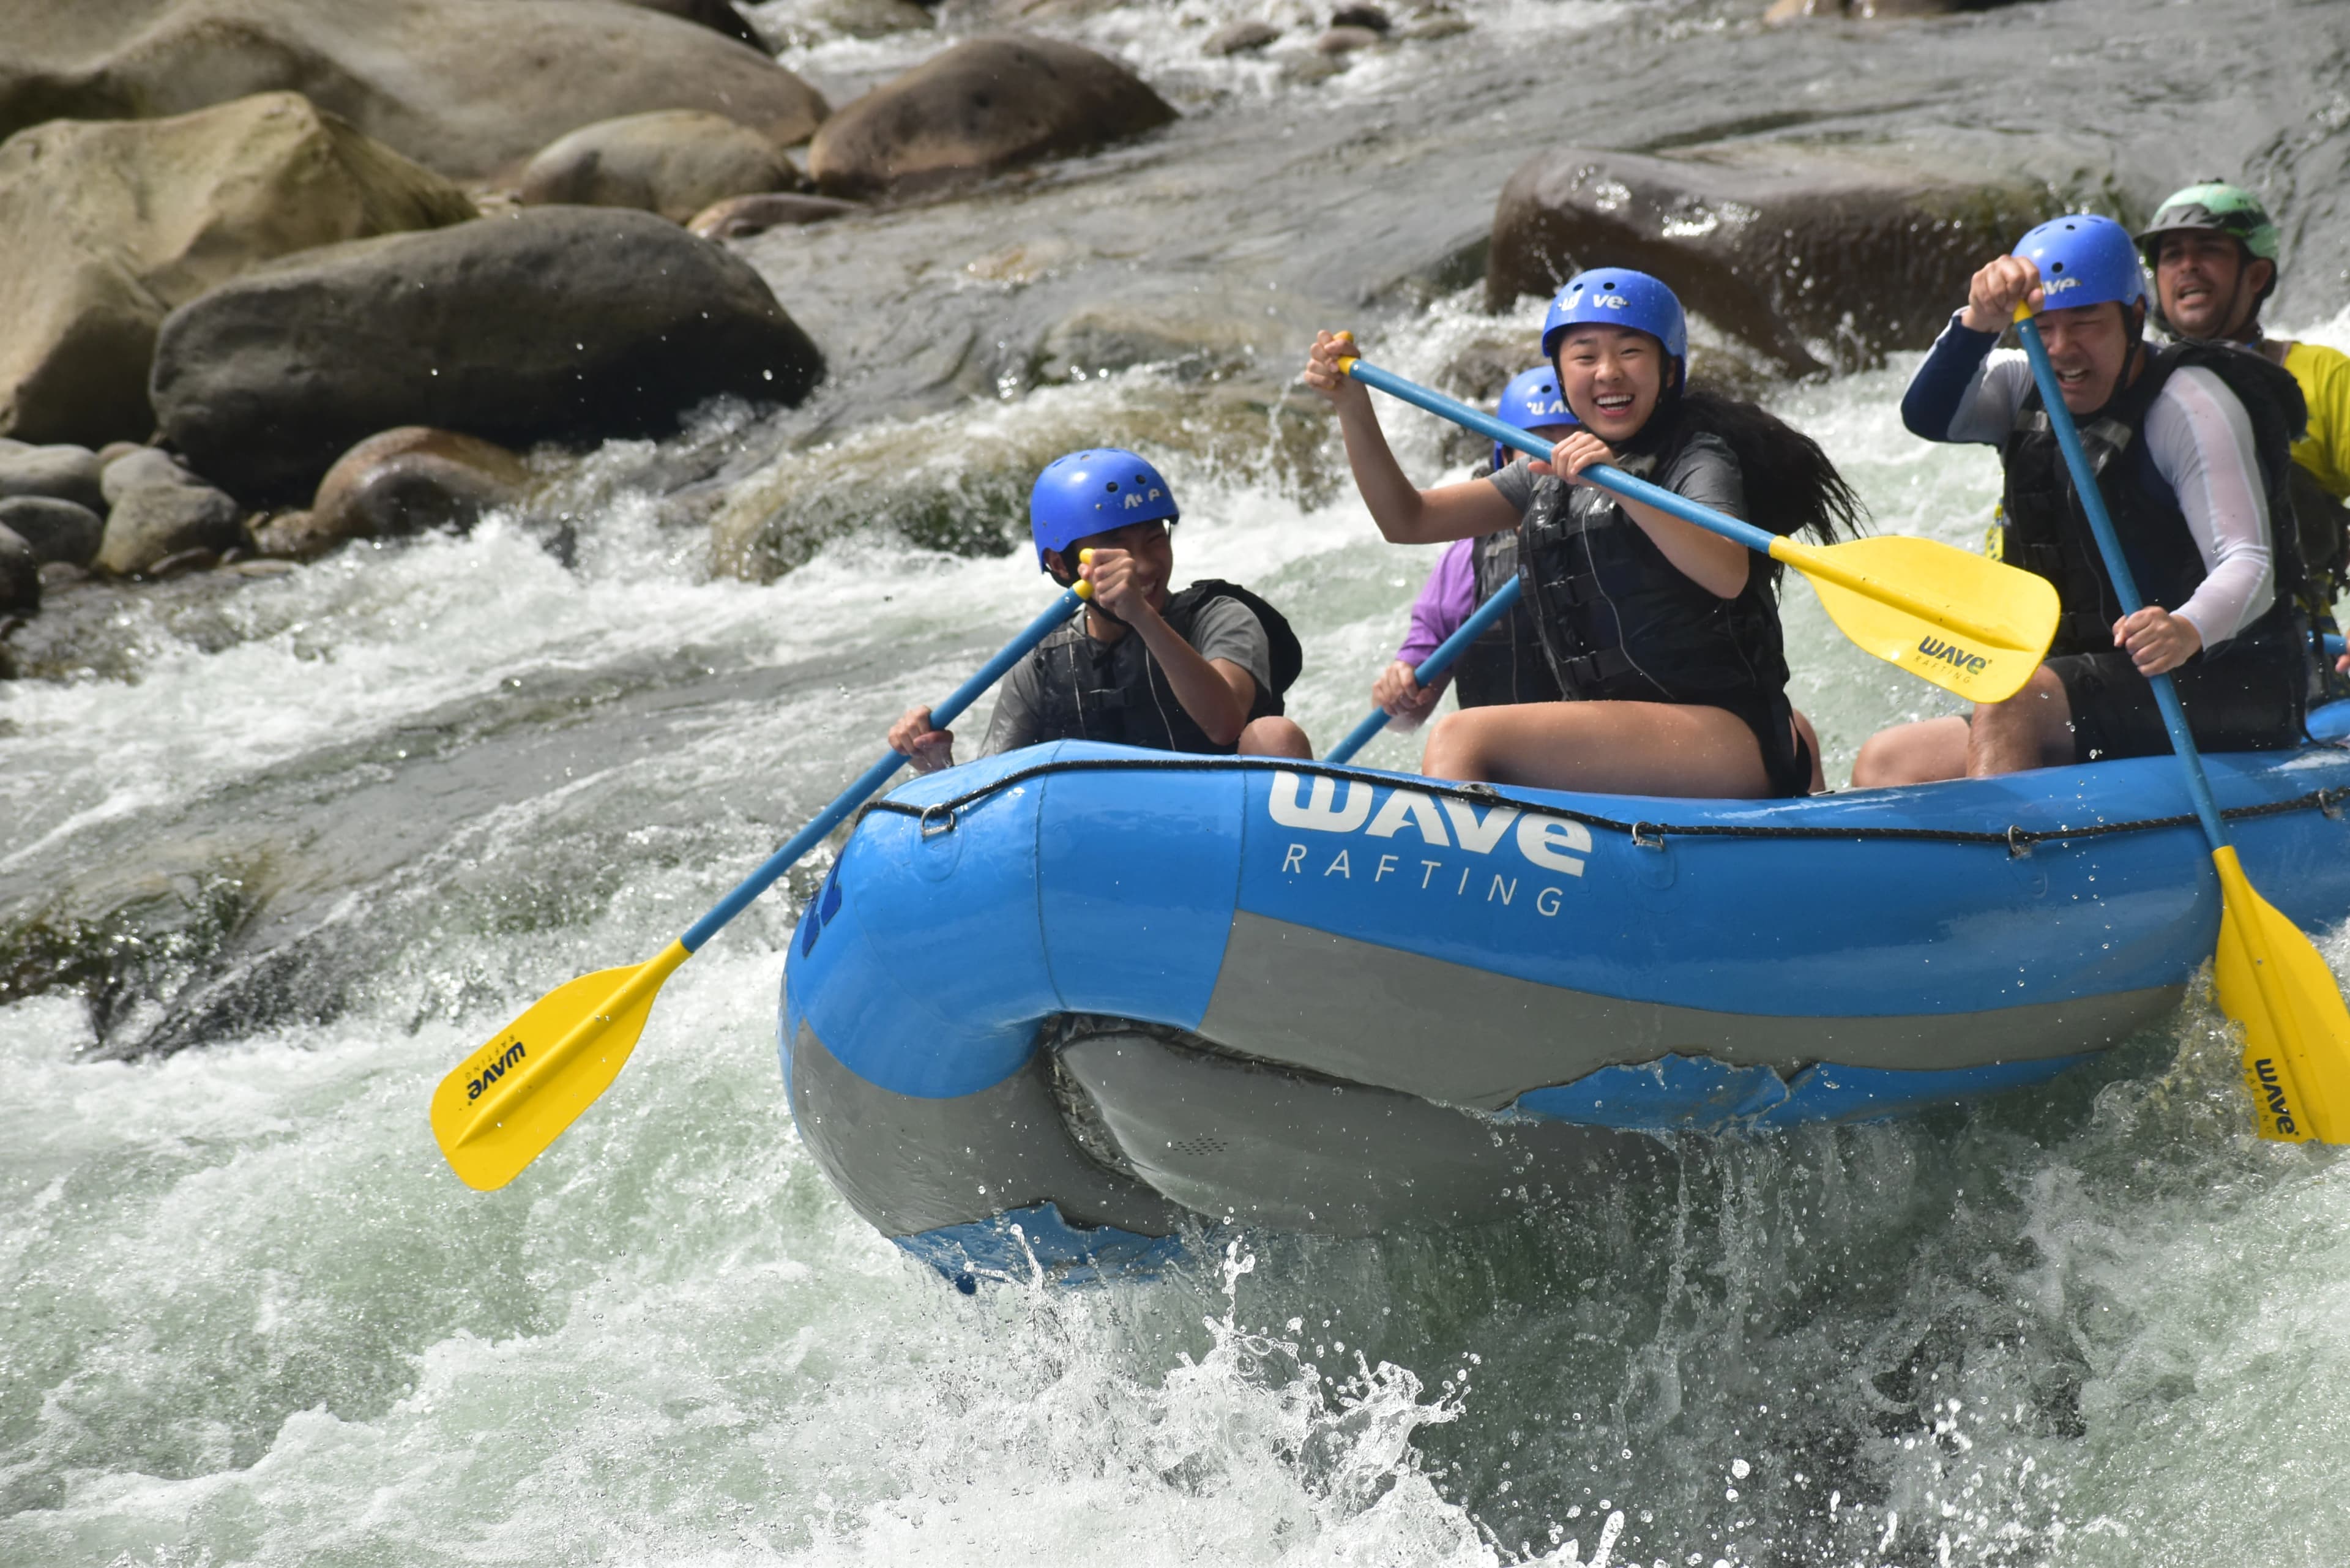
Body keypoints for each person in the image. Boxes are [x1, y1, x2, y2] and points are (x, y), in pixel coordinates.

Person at [1304, 269, 1863, 798]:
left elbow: (1725, 570)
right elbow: (1410, 521)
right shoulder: (1546, 470)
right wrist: (1352, 408)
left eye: (1630, 351)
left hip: (1727, 736)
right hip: (1626, 738)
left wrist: (1620, 484)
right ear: (1561, 374)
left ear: (1669, 370)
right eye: (1585, 355)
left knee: (1462, 739)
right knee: (1468, 735)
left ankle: (1472, 895)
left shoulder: (1698, 456)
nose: (1608, 372)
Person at [1851, 214, 2314, 786]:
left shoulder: (2190, 404)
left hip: (2224, 678)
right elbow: (1925, 415)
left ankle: (2014, 869)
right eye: (2041, 328)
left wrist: (2185, 628)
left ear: (2136, 318)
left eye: (2086, 323)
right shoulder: (2023, 383)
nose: (2062, 349)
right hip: (2088, 684)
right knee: (1887, 762)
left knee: (2013, 698)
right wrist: (1978, 322)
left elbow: (2249, 562)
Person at [888, 448, 1312, 771]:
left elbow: (1225, 724)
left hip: (1229, 834)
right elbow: (991, 797)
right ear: (1059, 565)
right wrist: (935, 763)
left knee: (1273, 736)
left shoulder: (1220, 617)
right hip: (1103, 850)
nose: (1143, 564)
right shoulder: (1039, 667)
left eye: (1154, 539)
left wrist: (1142, 616)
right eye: (1115, 546)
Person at [2133, 181, 2350, 685]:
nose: (2187, 266)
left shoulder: (2323, 376)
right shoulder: (2123, 385)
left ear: (2256, 274)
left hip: (2287, 650)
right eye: (2172, 255)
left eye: (2208, 250)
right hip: (2147, 644)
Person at [1372, 364, 1575, 728]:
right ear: (1506, 462)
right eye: (1539, 448)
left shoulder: (1633, 532)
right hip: (1503, 764)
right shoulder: (1465, 560)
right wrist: (1397, 692)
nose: (1559, 465)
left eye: (1575, 444)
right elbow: (1405, 718)